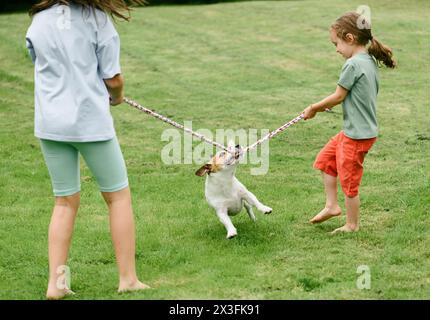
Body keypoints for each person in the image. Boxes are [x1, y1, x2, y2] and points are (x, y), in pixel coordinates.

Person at [26, 0, 148, 299]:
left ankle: (56, 285)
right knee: (118, 197)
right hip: (89, 123)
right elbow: (113, 78)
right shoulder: (97, 19)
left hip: (51, 124)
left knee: (64, 201)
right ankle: (128, 280)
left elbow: (41, 63)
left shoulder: (38, 21)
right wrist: (117, 96)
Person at [302, 11, 396, 234]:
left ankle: (352, 225)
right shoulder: (368, 61)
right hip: (354, 131)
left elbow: (338, 96)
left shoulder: (353, 64)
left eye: (336, 43)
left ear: (350, 38)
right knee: (326, 160)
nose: (336, 49)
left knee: (350, 182)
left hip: (357, 136)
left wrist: (314, 107)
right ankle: (331, 206)